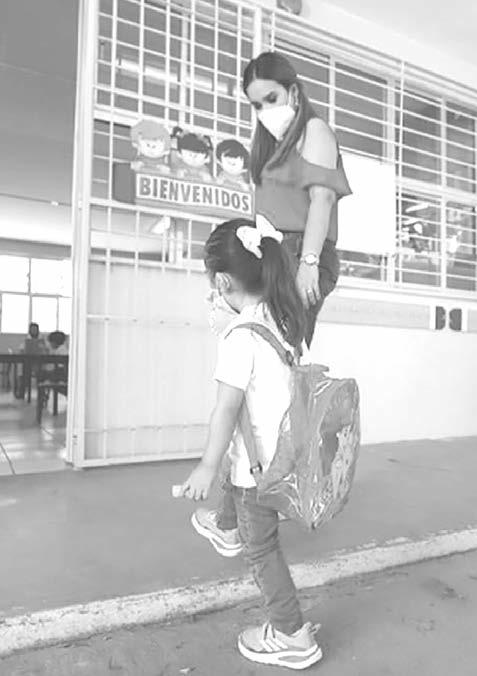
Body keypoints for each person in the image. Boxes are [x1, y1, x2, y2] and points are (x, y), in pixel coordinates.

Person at [179, 218, 322, 670]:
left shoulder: (240, 337)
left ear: (222, 282)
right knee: (239, 465)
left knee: (261, 549)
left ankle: (291, 634)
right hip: (283, 457)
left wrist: (205, 465)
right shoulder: (284, 322)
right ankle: (226, 526)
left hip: (256, 471)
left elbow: (226, 410)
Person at [244, 51, 352, 348]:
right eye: (257, 105)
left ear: (293, 91)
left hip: (300, 252)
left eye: (271, 98)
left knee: (283, 351)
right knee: (265, 352)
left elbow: (323, 198)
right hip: (272, 253)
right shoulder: (273, 147)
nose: (265, 110)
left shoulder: (314, 131)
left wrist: (309, 262)